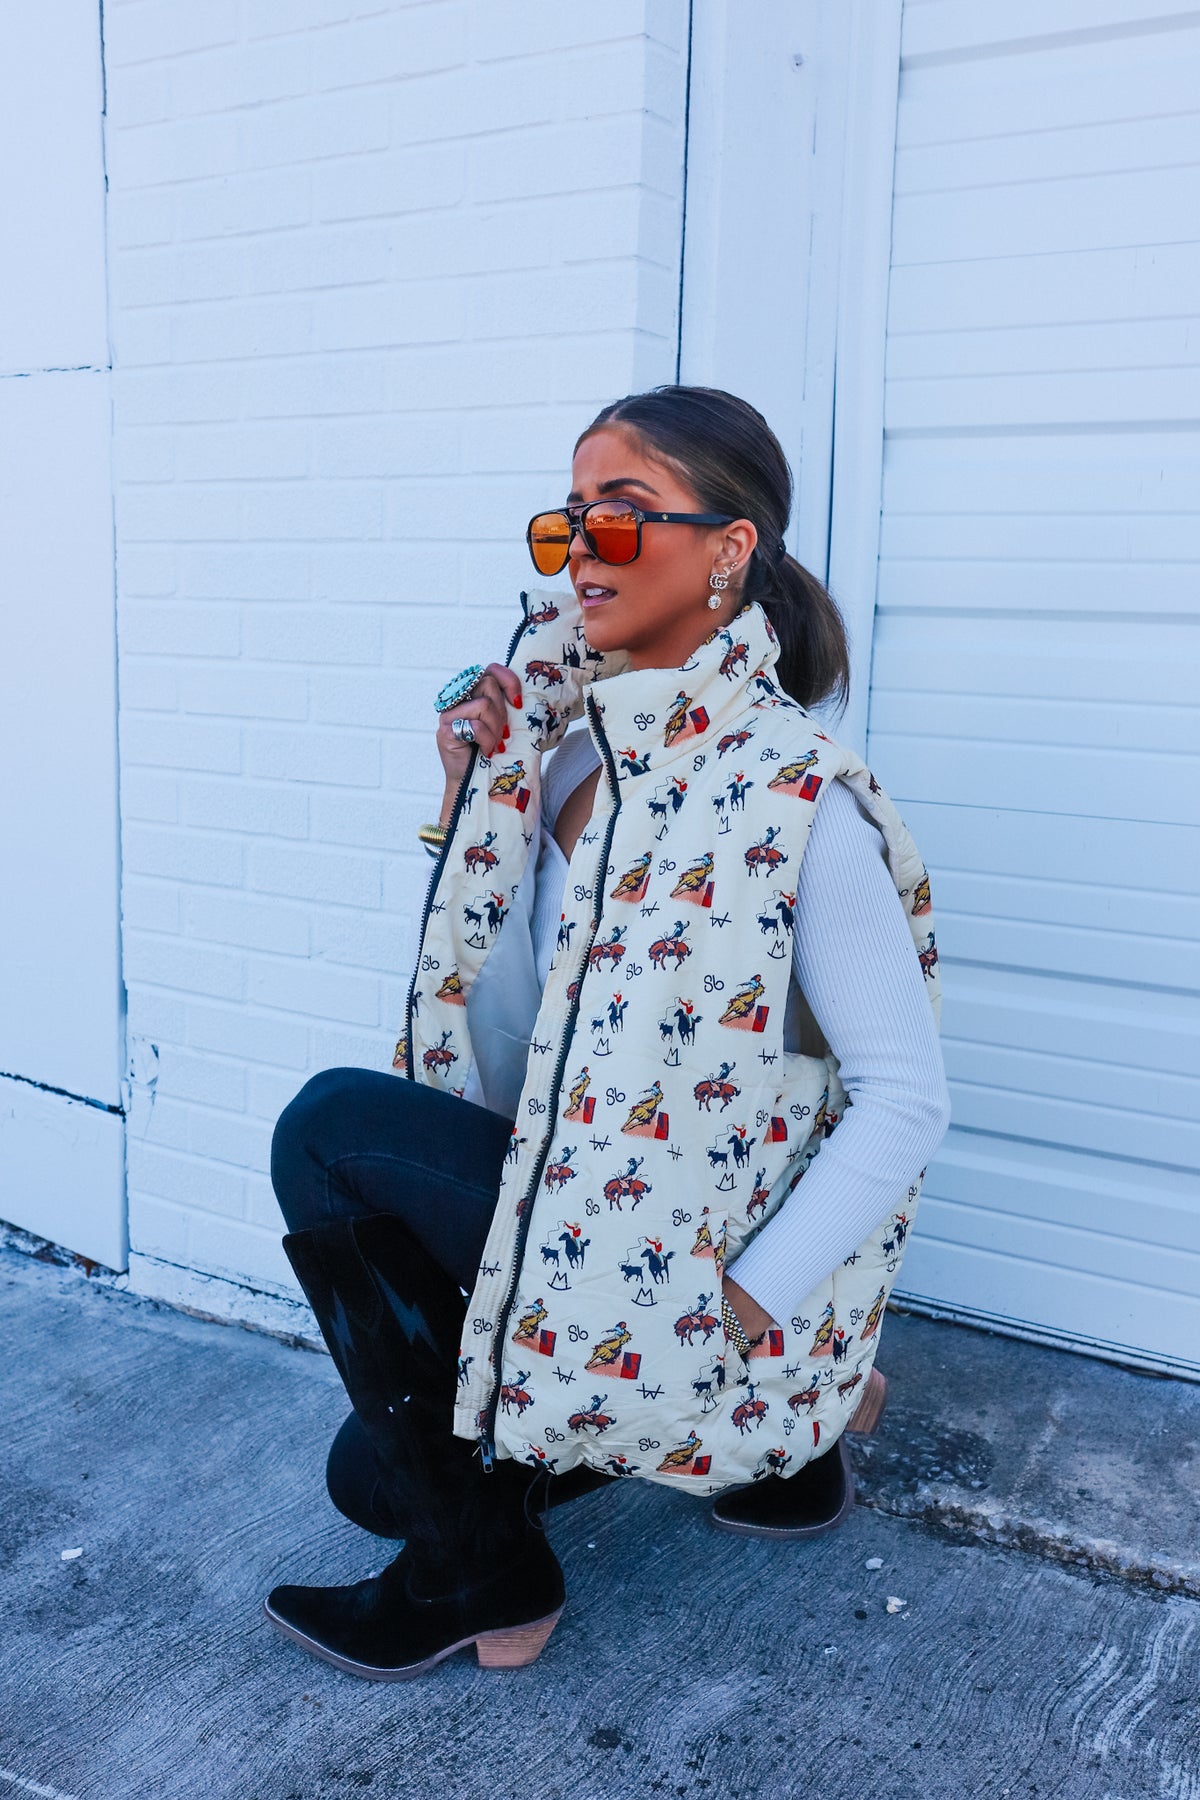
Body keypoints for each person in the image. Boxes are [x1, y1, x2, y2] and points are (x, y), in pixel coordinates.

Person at [265, 385, 951, 1683]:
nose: (581, 551)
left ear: (730, 550)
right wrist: (468, 803)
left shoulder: (797, 806)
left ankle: (488, 1575)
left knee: (328, 1132)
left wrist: (736, 1307)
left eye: (623, 519)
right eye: (567, 521)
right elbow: (516, 1015)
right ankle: (795, 1444)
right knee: (374, 1471)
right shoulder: (564, 752)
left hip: (679, 1267)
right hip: (576, 1213)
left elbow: (904, 1100)